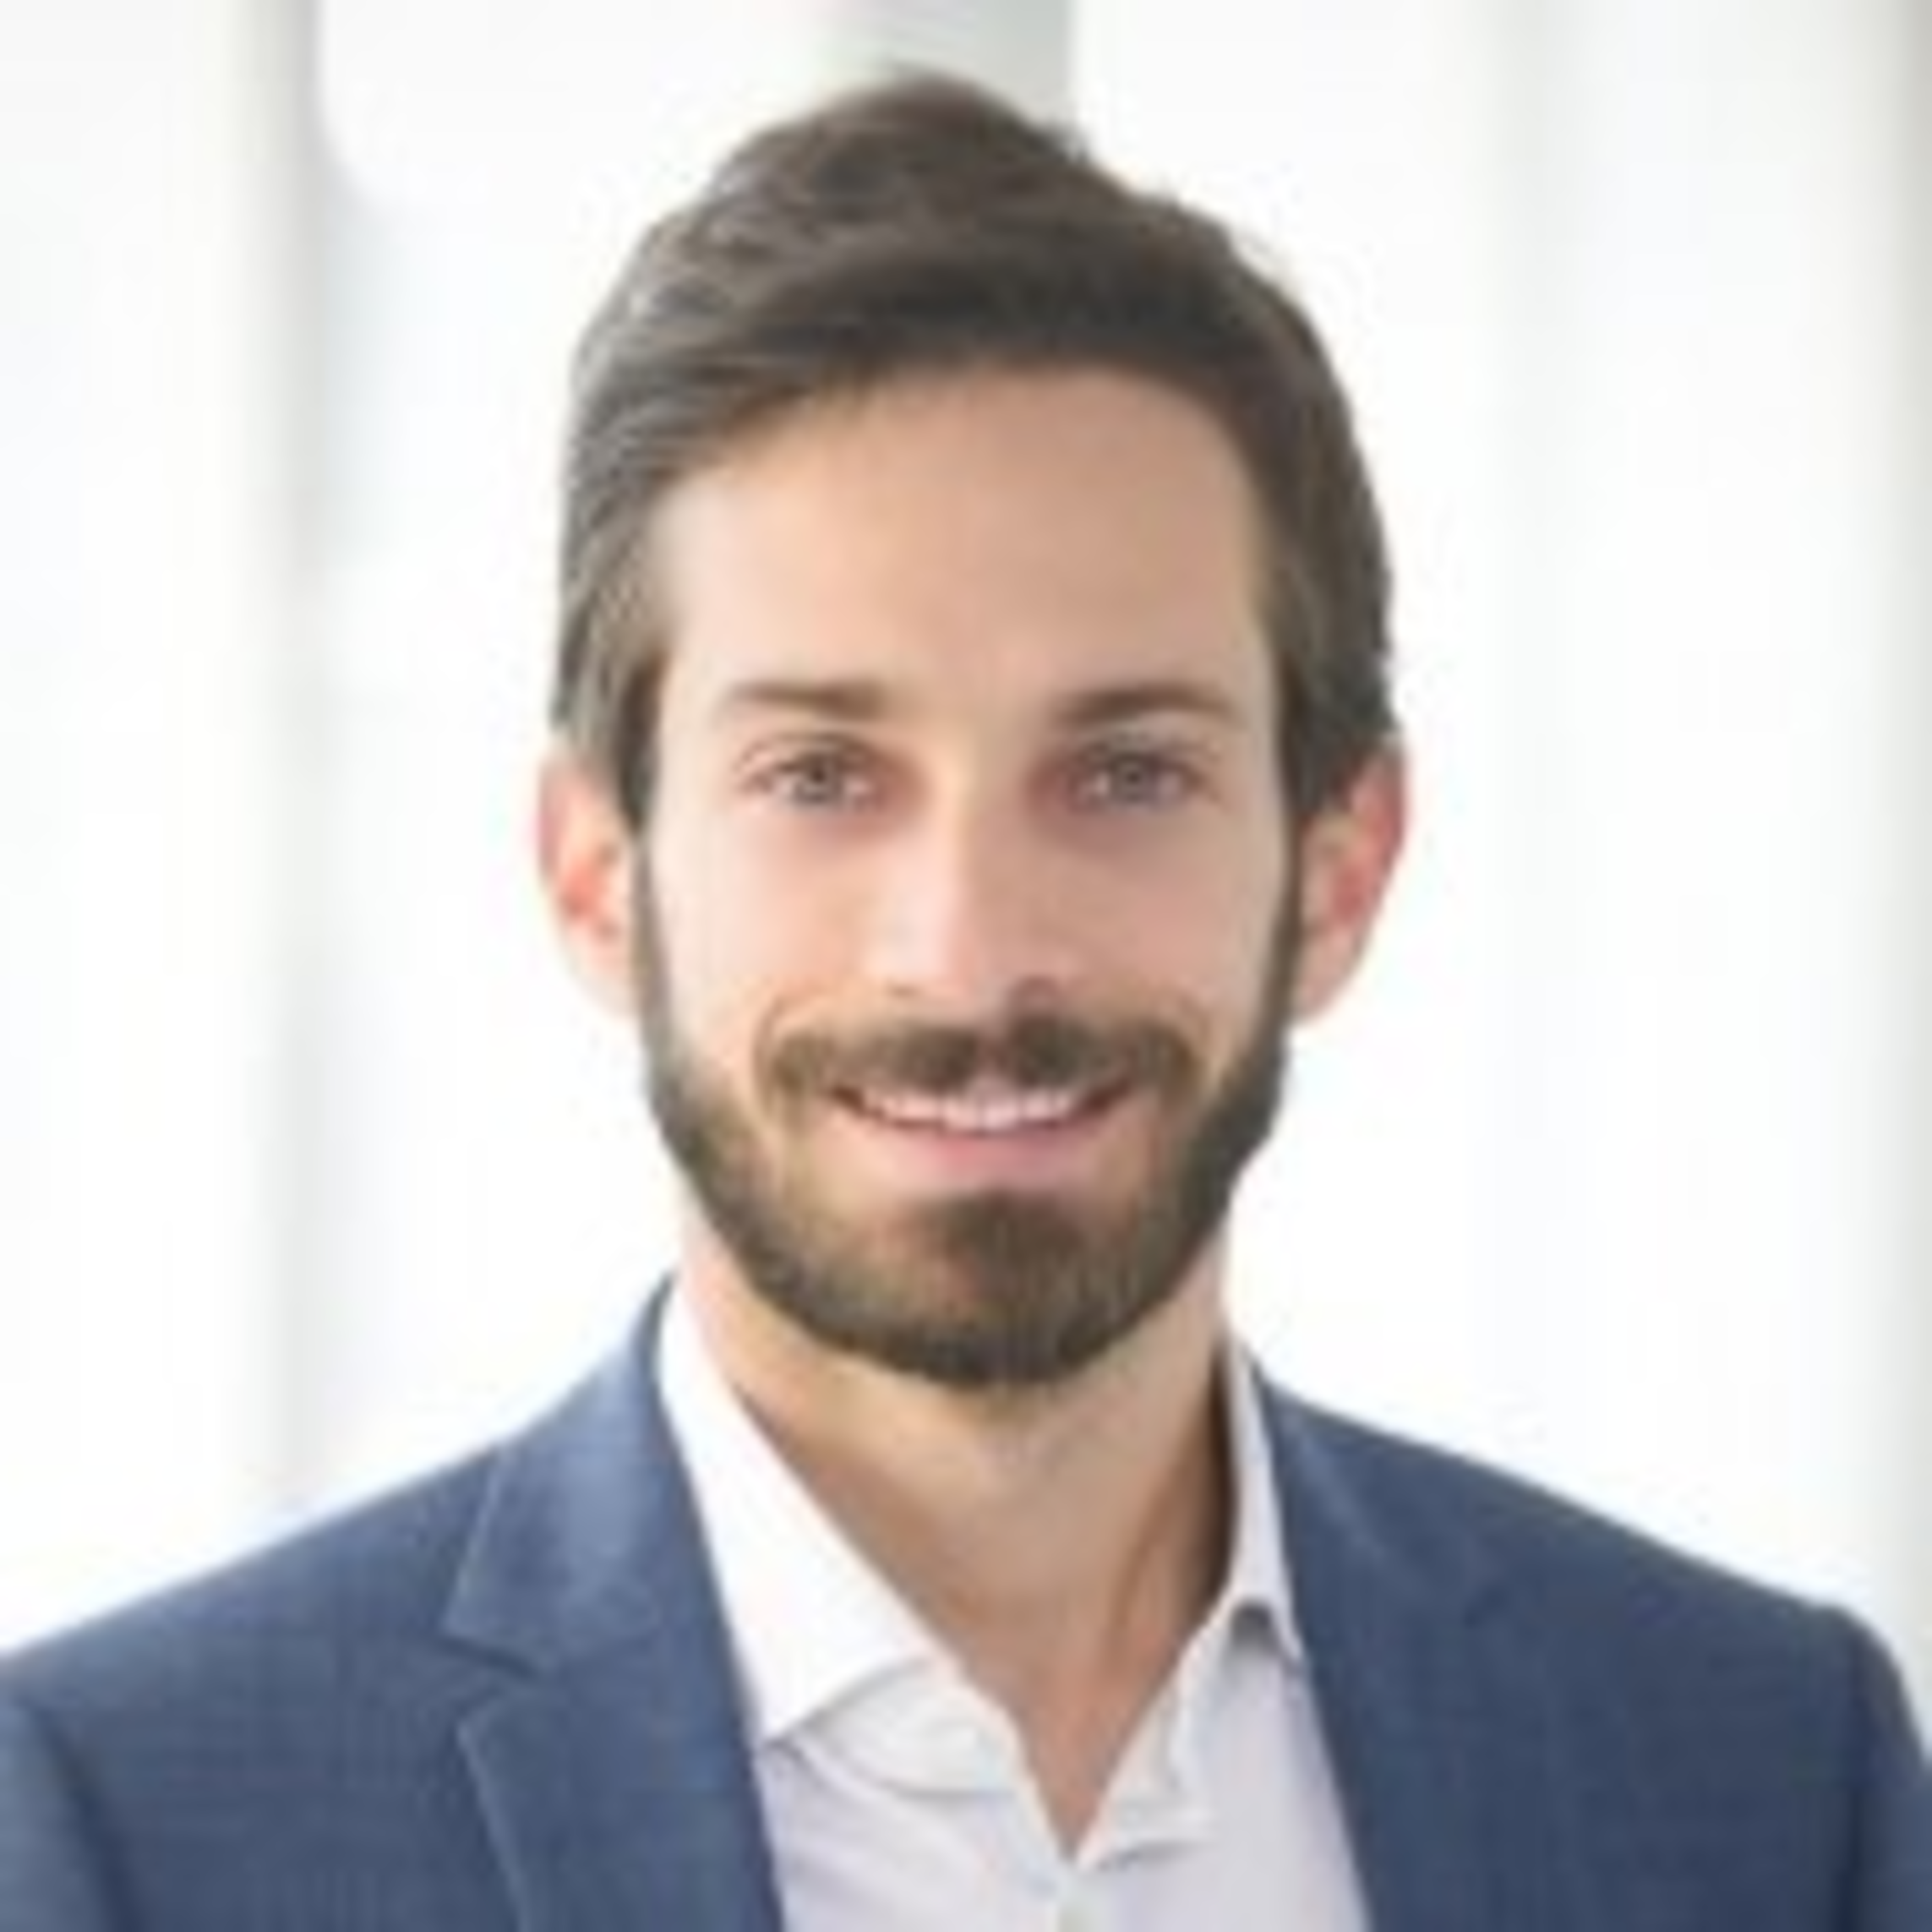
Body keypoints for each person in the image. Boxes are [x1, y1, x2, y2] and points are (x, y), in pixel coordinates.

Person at [1, 72, 1926, 1931]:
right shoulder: (132, 1834)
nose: (972, 948)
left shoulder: (1769, 1779)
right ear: (600, 873)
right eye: (821, 775)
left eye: (1128, 772)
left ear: (1339, 869)